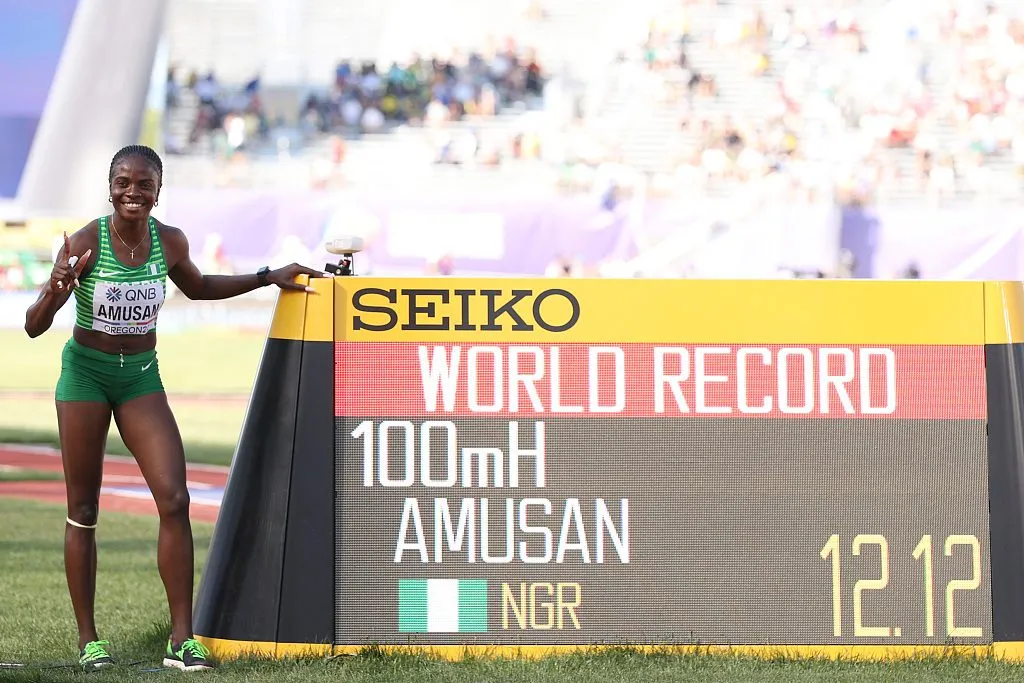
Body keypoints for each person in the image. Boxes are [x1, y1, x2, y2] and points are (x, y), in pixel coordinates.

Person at [23, 144, 324, 672]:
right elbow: (33, 325)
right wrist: (55, 288)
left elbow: (200, 287)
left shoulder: (170, 241)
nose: (133, 192)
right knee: (83, 510)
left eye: (145, 184)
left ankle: (182, 639)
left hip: (140, 377)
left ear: (159, 192)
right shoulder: (87, 241)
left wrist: (266, 276)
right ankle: (89, 640)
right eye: (123, 182)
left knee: (175, 498)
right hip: (86, 376)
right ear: (110, 188)